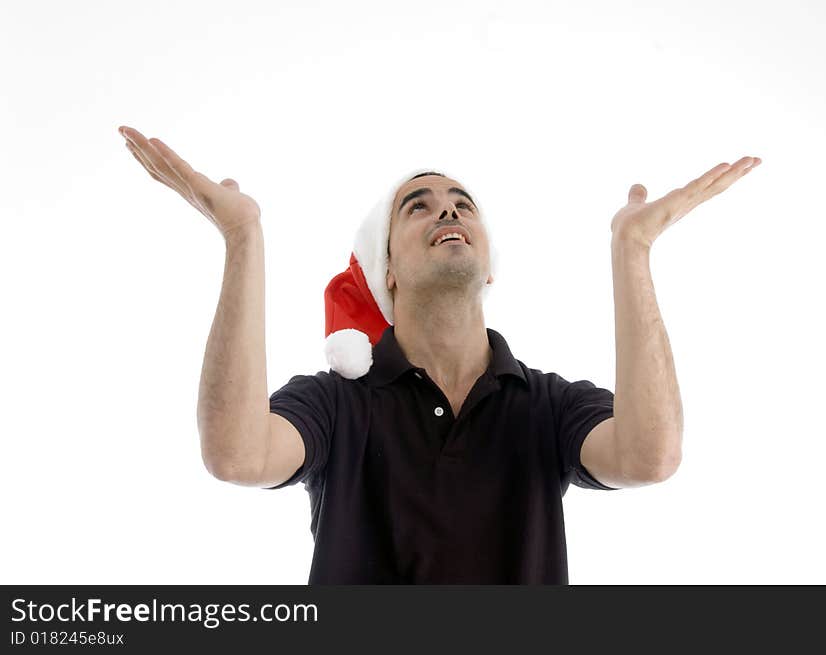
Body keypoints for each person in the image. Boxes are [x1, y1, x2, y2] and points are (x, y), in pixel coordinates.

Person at [118, 125, 761, 583]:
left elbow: (650, 458)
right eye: (416, 207)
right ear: (387, 269)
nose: (445, 211)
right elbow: (236, 454)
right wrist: (241, 238)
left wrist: (634, 251)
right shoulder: (334, 404)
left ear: (488, 267)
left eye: (460, 205)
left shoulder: (549, 405)